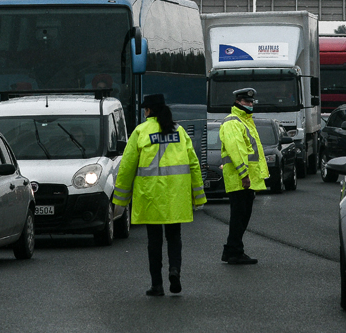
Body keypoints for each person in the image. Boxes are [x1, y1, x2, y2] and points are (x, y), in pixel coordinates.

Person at [113, 94, 206, 296]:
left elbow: (127, 168)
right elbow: (193, 164)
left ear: (148, 110)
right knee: (174, 237)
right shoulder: (180, 131)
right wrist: (198, 196)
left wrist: (120, 200)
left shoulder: (140, 132)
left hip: (150, 195)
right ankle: (175, 271)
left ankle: (157, 284)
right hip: (176, 195)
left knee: (154, 241)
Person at [219, 88, 269, 265]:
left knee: (241, 217)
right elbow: (237, 150)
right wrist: (244, 175)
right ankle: (234, 252)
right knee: (239, 218)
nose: (250, 105)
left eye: (251, 102)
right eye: (247, 102)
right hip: (239, 179)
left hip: (245, 179)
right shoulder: (233, 122)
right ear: (238, 102)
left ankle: (232, 250)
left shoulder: (245, 121)